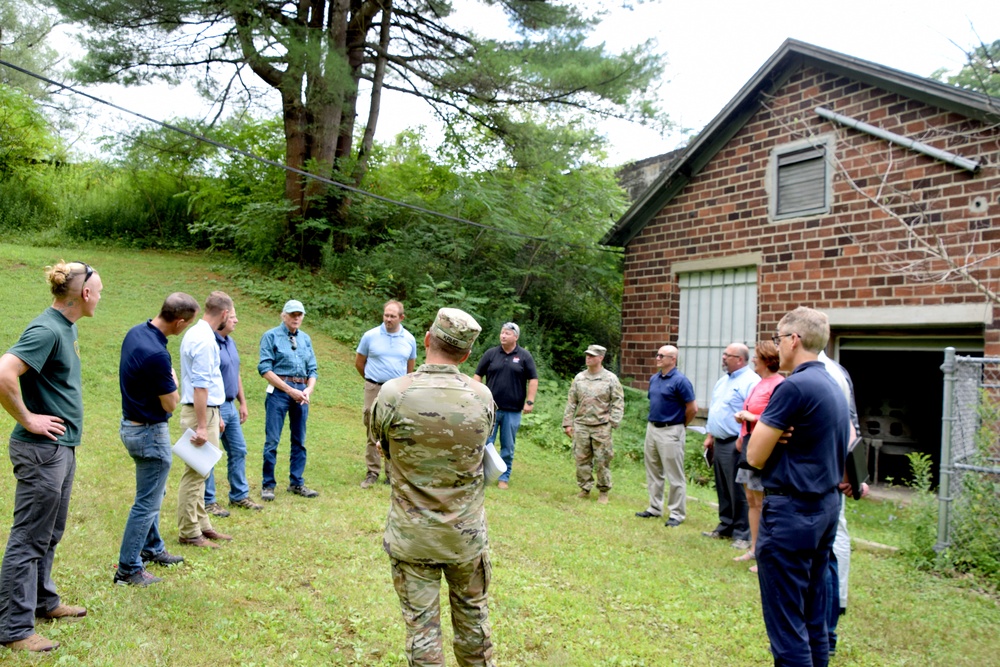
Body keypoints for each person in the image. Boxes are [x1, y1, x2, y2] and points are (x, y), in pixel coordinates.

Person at [371, 307, 496, 666]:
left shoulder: (394, 393)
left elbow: (382, 444)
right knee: (475, 624)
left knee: (422, 631)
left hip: (414, 537)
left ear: (426, 339)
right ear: (467, 354)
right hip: (465, 538)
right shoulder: (481, 396)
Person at [0, 260, 103, 652]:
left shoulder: (66, 327)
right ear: (86, 293)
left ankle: (44, 602)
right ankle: (13, 629)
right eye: (101, 290)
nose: (102, 297)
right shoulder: (46, 329)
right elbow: (4, 373)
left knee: (49, 533)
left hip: (60, 449)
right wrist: (28, 419)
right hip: (42, 451)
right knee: (28, 538)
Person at [747, 307, 851, 667]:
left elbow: (755, 455)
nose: (776, 345)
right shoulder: (832, 384)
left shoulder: (794, 386)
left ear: (794, 339)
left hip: (791, 514)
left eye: (778, 337)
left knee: (787, 624)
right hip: (824, 508)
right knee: (812, 617)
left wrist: (768, 433)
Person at [115, 293, 199, 587]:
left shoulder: (137, 332)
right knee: (147, 502)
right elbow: (171, 404)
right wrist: (174, 382)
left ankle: (151, 548)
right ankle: (128, 569)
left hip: (131, 424)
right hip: (149, 432)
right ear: (179, 322)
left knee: (154, 493)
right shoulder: (157, 354)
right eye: (187, 324)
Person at [177, 291, 235, 548]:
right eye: (231, 315)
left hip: (208, 411)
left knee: (204, 470)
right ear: (224, 314)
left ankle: (202, 524)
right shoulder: (204, 340)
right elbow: (201, 386)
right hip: (199, 411)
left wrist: (216, 414)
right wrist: (202, 425)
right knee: (196, 472)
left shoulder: (199, 334)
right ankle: (189, 531)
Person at [204, 303, 263, 515]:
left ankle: (239, 496)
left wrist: (243, 402)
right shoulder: (210, 343)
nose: (236, 321)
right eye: (232, 317)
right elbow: (207, 381)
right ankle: (208, 501)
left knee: (239, 449)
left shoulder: (230, 343)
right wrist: (216, 411)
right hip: (214, 407)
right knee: (210, 453)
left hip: (230, 405)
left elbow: (235, 374)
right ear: (222, 318)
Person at [258, 299, 319, 500]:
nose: (296, 318)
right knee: (272, 440)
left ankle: (296, 482)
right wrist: (288, 390)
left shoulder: (306, 339)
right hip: (279, 391)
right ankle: (268, 485)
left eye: (299, 314)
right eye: (292, 314)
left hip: (301, 392)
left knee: (299, 440)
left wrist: (308, 390)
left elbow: (313, 369)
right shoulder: (270, 336)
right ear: (283, 315)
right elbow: (265, 369)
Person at [732, 341, 783, 571]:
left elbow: (776, 419)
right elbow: (752, 413)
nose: (753, 360)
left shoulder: (778, 385)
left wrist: (750, 417)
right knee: (751, 500)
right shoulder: (759, 384)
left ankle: (765, 553)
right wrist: (742, 432)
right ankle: (754, 548)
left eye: (756, 357)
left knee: (762, 501)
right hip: (749, 446)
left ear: (766, 360)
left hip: (763, 449)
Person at [355, 299, 417, 488]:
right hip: (373, 387)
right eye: (386, 315)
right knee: (372, 429)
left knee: (394, 430)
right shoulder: (370, 336)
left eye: (392, 316)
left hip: (397, 391)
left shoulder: (409, 339)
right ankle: (372, 473)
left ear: (401, 317)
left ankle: (392, 474)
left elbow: (410, 368)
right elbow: (359, 362)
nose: (388, 319)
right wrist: (371, 381)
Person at [702, 343, 759, 548]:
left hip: (735, 443)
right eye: (724, 354)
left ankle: (742, 533)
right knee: (723, 487)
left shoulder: (751, 382)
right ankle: (725, 525)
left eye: (728, 355)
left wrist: (742, 439)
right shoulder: (723, 381)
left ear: (741, 360)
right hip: (719, 440)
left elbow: (753, 412)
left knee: (738, 490)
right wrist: (710, 435)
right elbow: (717, 409)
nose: (724, 357)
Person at [635, 345, 697, 526]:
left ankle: (676, 514)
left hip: (671, 429)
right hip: (652, 428)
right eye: (657, 354)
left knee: (674, 473)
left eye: (662, 356)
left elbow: (692, 408)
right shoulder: (654, 379)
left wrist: (680, 425)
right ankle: (655, 508)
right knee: (653, 470)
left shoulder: (680, 381)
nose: (658, 358)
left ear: (673, 359)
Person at [473, 322, 538, 490]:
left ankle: (504, 477)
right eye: (502, 333)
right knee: (486, 443)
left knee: (508, 446)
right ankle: (481, 475)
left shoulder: (524, 356)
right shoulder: (491, 354)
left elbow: (533, 379)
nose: (503, 336)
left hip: (513, 410)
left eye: (507, 333)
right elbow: (477, 375)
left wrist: (529, 401)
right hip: (491, 408)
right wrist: (477, 395)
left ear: (515, 337)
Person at [562, 345, 625, 505]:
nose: (588, 358)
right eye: (587, 355)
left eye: (592, 355)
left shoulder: (610, 379)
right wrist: (567, 423)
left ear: (600, 358)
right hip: (582, 425)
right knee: (581, 459)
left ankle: (603, 491)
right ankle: (585, 488)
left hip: (601, 426)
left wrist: (613, 421)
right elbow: (572, 402)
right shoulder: (579, 378)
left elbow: (618, 401)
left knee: (602, 460)